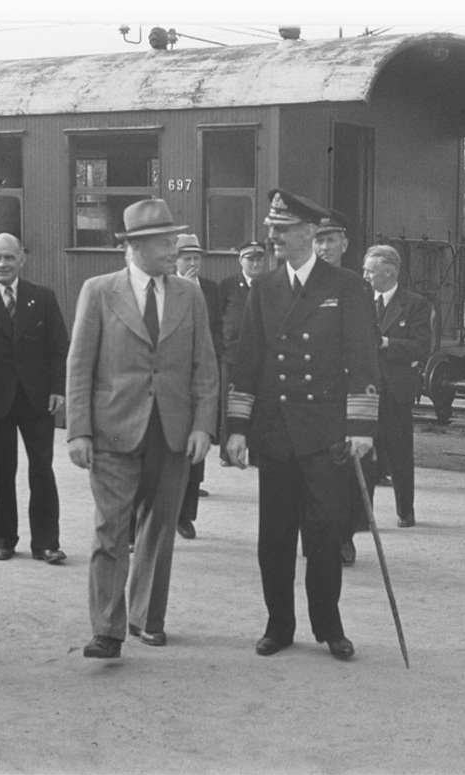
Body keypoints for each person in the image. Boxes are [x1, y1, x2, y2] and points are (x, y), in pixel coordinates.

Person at [225, 189, 380, 661]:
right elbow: (247, 358)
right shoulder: (265, 287)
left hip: (325, 434)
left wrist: (360, 427)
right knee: (274, 537)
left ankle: (329, 625)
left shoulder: (347, 285)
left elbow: (363, 358)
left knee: (325, 533)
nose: (272, 236)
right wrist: (236, 426)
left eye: (282, 229)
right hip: (276, 434)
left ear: (310, 234)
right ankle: (279, 624)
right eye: (272, 229)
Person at [66, 199, 219, 658]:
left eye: (175, 240)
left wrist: (202, 427)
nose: (176, 248)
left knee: (159, 528)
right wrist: (78, 431)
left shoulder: (190, 295)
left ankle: (148, 618)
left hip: (171, 431)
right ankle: (107, 630)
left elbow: (204, 366)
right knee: (111, 529)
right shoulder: (98, 290)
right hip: (113, 429)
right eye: (167, 241)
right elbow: (79, 365)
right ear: (136, 246)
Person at [0, 233, 69, 565]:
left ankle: (46, 542)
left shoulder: (43, 298)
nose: (2, 264)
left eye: (9, 257)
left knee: (42, 471)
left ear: (22, 258)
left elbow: (58, 348)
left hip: (36, 399)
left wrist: (57, 389)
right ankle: (3, 539)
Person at [311, 209, 371, 563]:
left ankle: (345, 538)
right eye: (318, 240)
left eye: (330, 240)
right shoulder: (301, 282)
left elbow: (364, 344)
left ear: (344, 244)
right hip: (310, 393)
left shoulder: (354, 284)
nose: (324, 247)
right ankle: (316, 535)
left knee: (346, 471)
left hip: (344, 392)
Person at [362, 244, 432, 529]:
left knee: (399, 454)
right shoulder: (360, 299)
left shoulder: (414, 304)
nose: (364, 276)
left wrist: (388, 344)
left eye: (370, 271)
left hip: (395, 391)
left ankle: (406, 511)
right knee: (363, 452)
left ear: (389, 272)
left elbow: (421, 346)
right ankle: (362, 514)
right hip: (364, 389)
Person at [174, 233, 223, 540]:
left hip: (198, 378)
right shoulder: (165, 286)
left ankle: (185, 515)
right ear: (175, 260)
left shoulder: (212, 290)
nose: (192, 263)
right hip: (170, 380)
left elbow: (216, 329)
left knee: (194, 452)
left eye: (196, 258)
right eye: (186, 258)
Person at [219, 240, 269, 466]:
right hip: (232, 355)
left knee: (261, 405)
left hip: (263, 356)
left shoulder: (270, 284)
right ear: (241, 261)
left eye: (260, 259)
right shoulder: (228, 285)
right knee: (229, 405)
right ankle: (227, 455)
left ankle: (258, 454)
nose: (256, 263)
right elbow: (217, 318)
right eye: (251, 259)